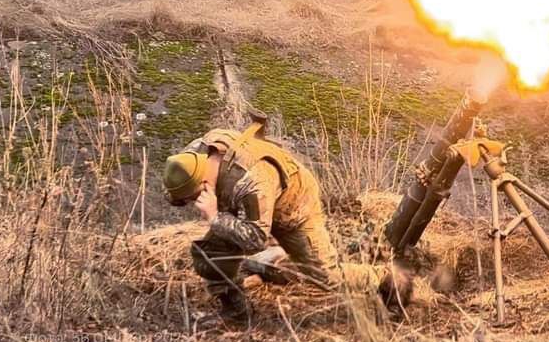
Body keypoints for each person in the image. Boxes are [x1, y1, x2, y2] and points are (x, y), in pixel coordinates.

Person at [163, 116, 410, 326]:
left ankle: (389, 279)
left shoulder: (250, 180)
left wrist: (215, 217)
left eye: (193, 198)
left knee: (325, 276)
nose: (193, 205)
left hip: (295, 208)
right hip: (255, 205)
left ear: (204, 184)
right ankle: (237, 314)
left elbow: (256, 239)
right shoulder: (192, 156)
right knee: (209, 254)